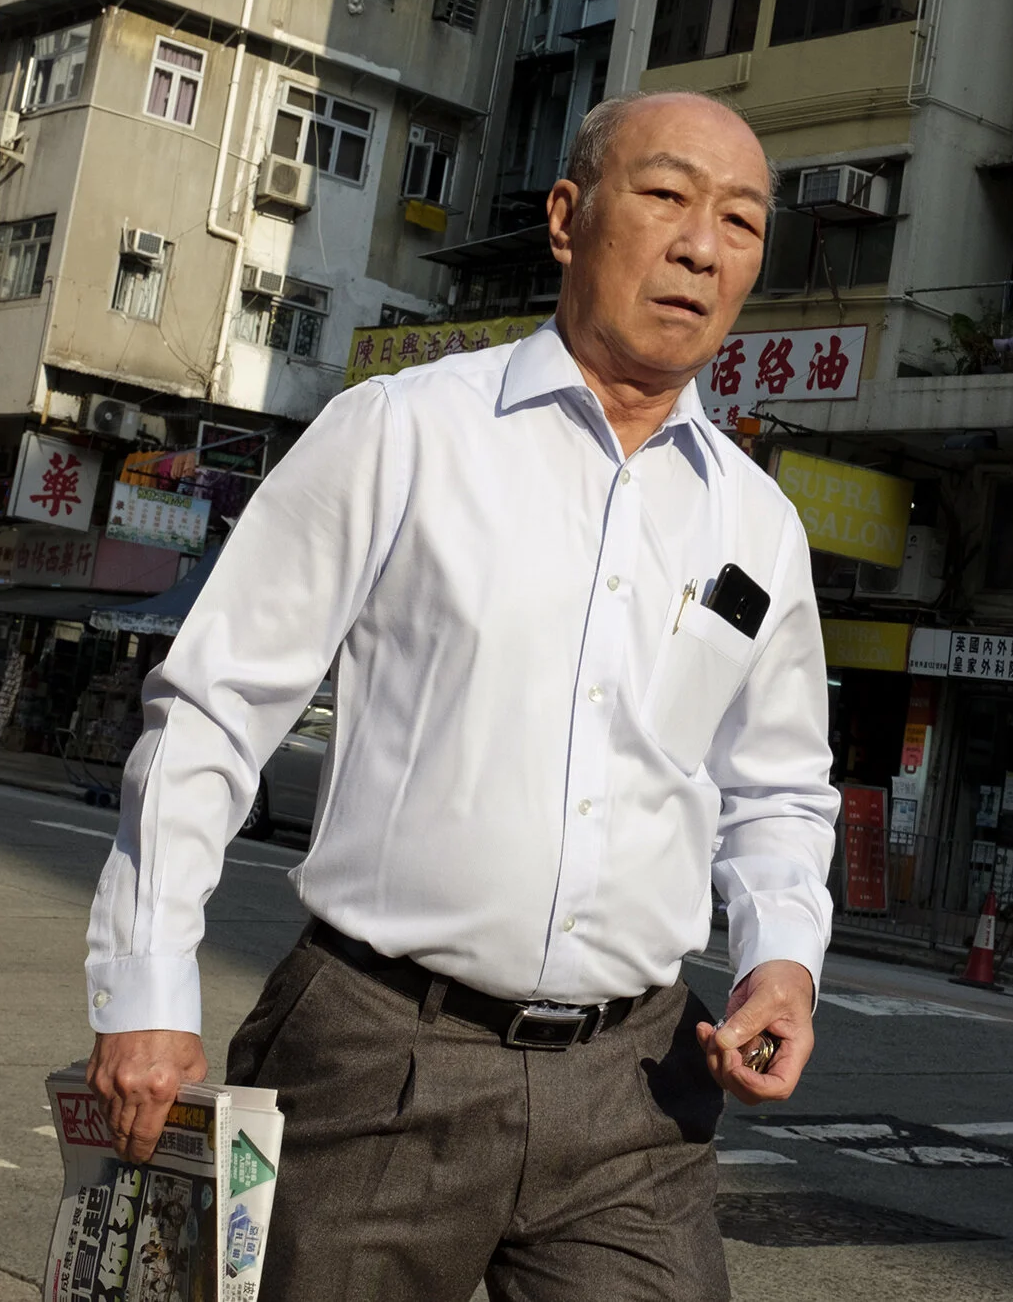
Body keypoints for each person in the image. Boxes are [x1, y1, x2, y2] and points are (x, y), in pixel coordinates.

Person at [80, 91, 838, 1300]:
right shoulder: (404, 431)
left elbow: (778, 785)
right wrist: (147, 984)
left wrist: (781, 961)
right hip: (381, 1056)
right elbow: (216, 708)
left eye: (742, 221)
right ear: (566, 217)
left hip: (636, 1087)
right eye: (666, 196)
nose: (703, 245)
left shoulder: (757, 523)